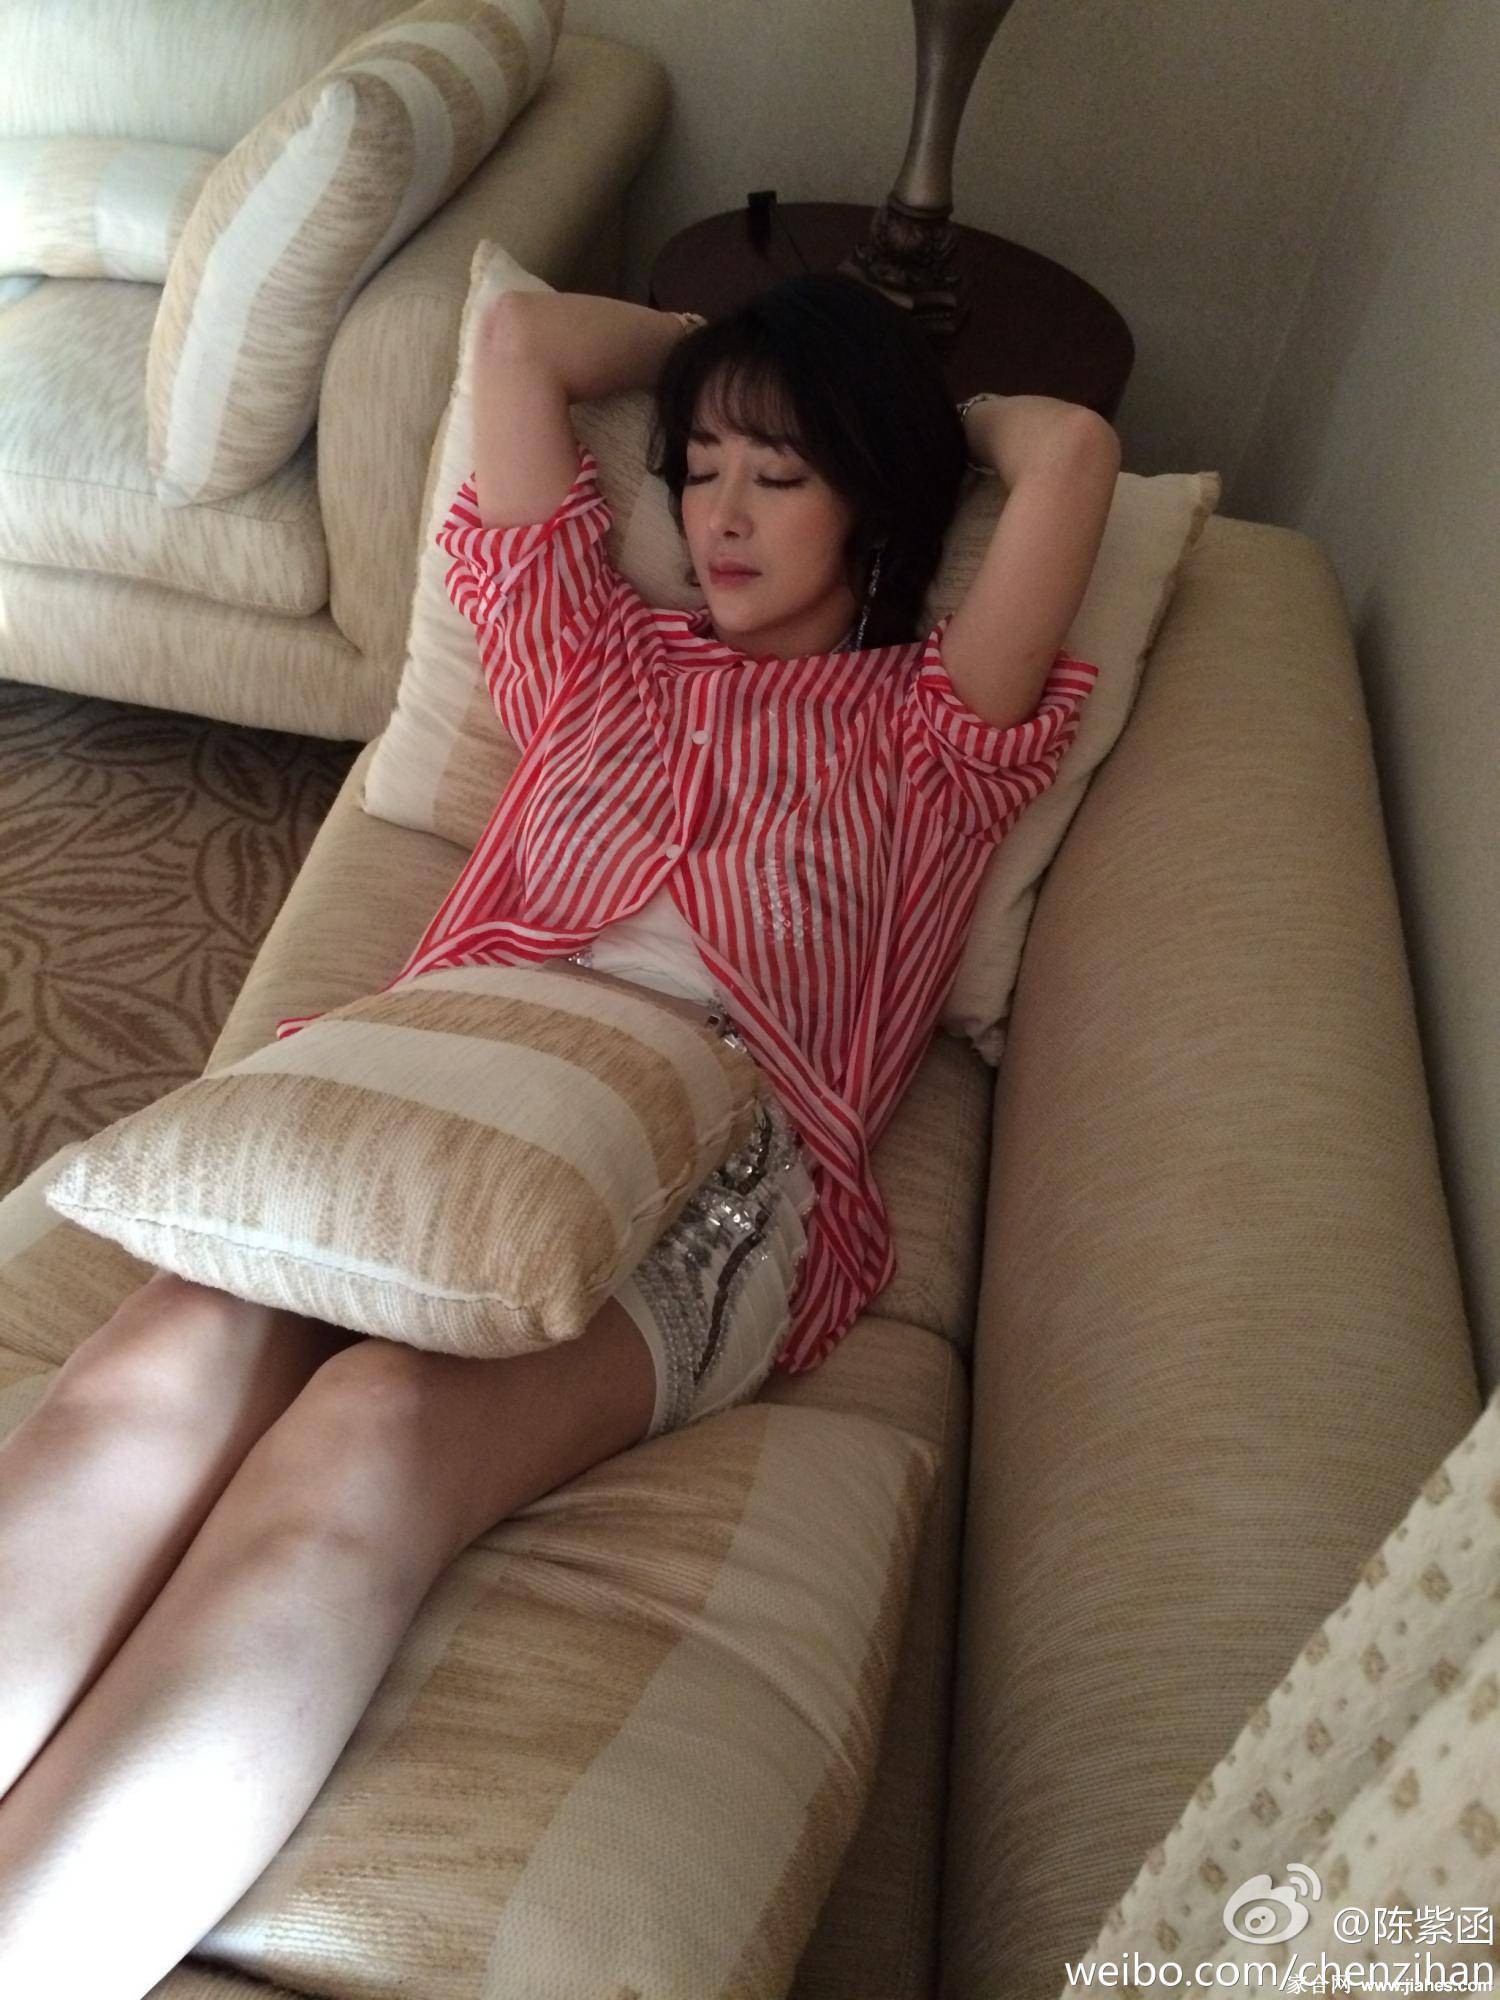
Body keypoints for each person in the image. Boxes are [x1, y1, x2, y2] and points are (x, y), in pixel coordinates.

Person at [0, 273, 1120, 1997]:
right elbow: (520, 342)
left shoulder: (934, 733)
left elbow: (1072, 457)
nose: (721, 514)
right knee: (154, 1366)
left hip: (703, 1171)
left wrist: (905, 403)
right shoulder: (589, 657)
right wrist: (734, 356)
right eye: (701, 465)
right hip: (428, 1095)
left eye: (782, 475)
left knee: (368, 1434)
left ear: (879, 508)